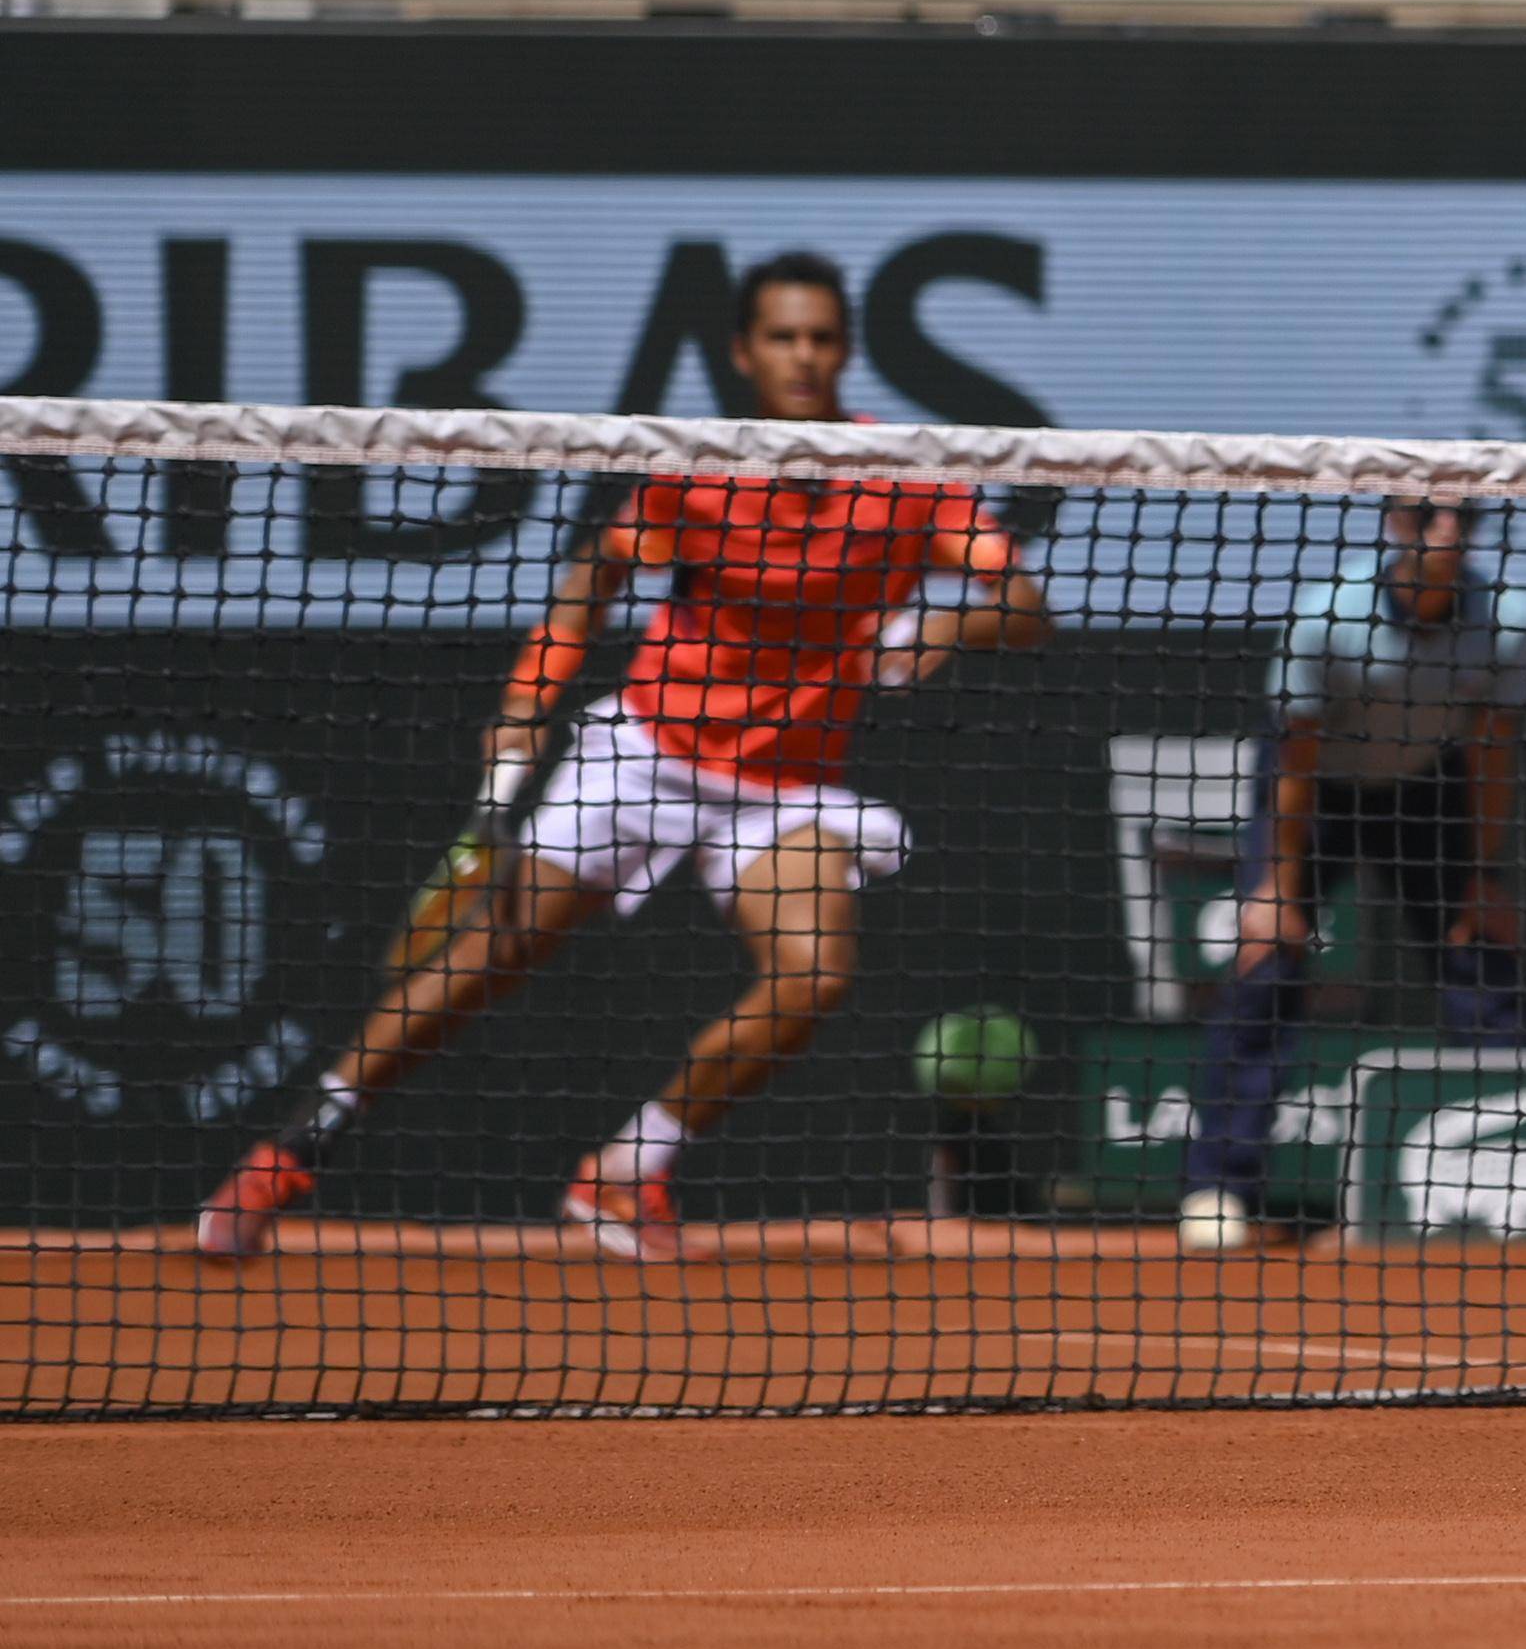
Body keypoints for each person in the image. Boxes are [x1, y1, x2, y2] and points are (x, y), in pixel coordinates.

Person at [196, 253, 1045, 1267]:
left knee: (813, 974)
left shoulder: (907, 476)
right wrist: (524, 704)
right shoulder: (693, 467)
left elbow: (1023, 603)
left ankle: (627, 1168)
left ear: (845, 351)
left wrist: (954, 626)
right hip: (644, 753)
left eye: (821, 338)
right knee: (479, 962)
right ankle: (289, 1151)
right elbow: (593, 579)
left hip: (783, 793)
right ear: (744, 353)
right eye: (782, 337)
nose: (803, 357)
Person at [1173, 495, 1526, 1253]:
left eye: (1464, 517)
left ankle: (1514, 1171)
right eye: (1431, 514)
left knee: (1482, 958)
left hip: (1426, 792)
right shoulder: (1326, 617)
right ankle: (1219, 1189)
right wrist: (1275, 885)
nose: (1449, 529)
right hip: (1320, 793)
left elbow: (1491, 755)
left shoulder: (1503, 622)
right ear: (1396, 525)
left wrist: (1482, 873)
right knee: (1267, 968)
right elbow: (1295, 759)